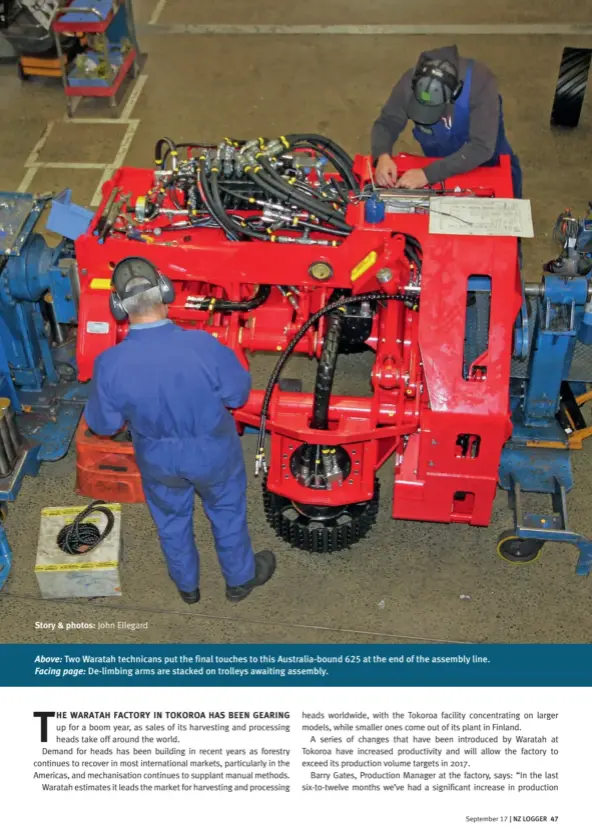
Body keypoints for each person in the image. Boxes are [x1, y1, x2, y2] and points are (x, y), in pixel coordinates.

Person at [84, 257, 276, 605]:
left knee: (172, 520)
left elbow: (104, 425)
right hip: (214, 453)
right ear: (164, 290)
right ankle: (239, 580)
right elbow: (238, 394)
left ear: (118, 306)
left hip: (158, 460)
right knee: (227, 513)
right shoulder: (203, 345)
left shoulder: (109, 364)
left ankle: (187, 587)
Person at [371, 45, 522, 198]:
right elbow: (387, 122)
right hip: (442, 167)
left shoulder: (480, 84)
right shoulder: (409, 83)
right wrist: (382, 155)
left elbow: (481, 147)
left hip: (488, 165)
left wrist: (428, 175)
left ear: (453, 96)